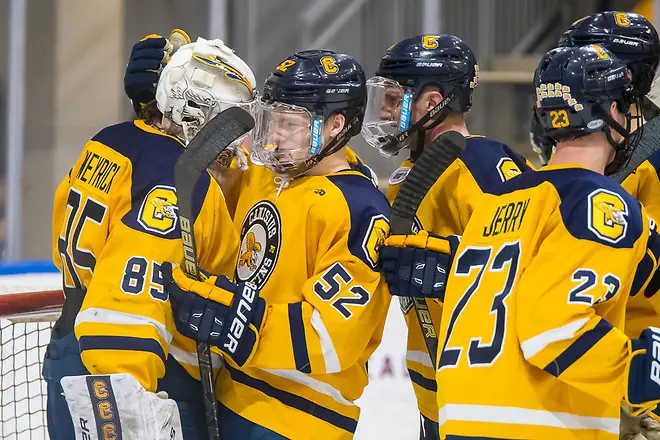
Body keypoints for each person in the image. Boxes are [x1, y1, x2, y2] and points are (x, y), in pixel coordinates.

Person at [383, 44, 660, 439]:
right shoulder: (601, 202)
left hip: (462, 415)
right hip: (541, 422)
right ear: (609, 112)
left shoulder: (505, 196)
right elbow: (553, 325)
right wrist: (634, 374)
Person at [159, 49, 391, 440]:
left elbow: (334, 337)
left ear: (334, 125)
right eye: (271, 121)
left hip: (298, 420)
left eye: (289, 124)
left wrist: (236, 321)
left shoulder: (360, 209)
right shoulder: (268, 177)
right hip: (227, 397)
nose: (275, 136)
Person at [44, 36, 256, 439]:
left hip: (70, 346)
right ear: (198, 110)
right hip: (134, 372)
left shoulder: (112, 139)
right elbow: (131, 291)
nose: (236, 135)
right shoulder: (179, 179)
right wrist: (125, 400)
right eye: (230, 117)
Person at [360, 33, 533, 439]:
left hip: (488, 396)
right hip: (435, 394)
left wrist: (442, 266)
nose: (383, 111)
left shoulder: (483, 163)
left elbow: (525, 262)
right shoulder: (405, 177)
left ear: (433, 102)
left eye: (393, 98)